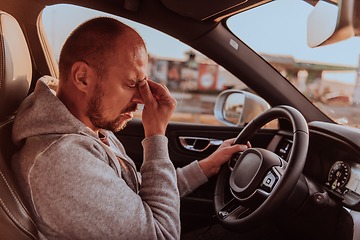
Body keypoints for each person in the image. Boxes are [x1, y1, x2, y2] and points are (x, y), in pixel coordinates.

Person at [11, 17, 249, 240]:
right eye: (131, 84)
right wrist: (155, 134)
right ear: (82, 78)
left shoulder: (88, 128)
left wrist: (207, 166)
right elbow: (163, 235)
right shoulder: (62, 161)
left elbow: (140, 194)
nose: (143, 98)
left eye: (143, 84)